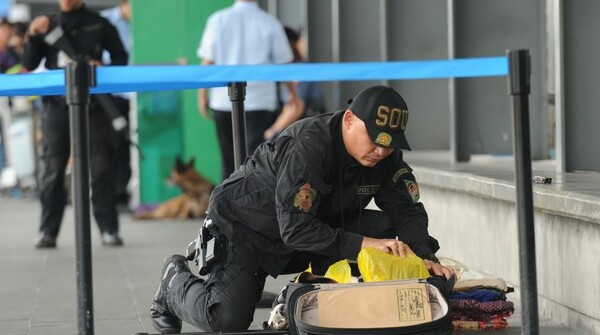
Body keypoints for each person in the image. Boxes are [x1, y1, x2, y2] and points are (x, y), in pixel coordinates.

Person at [150, 85, 453, 333]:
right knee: (226, 321)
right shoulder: (310, 147)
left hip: (312, 228)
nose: (381, 151)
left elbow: (406, 210)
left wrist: (424, 255)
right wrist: (362, 244)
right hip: (246, 230)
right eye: (374, 140)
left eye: (389, 144)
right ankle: (173, 279)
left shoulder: (385, 155)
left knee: (388, 236)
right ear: (349, 120)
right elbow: (295, 227)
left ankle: (318, 294)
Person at [22, 0, 128, 248]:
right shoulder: (46, 24)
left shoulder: (99, 23)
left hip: (95, 107)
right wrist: (34, 36)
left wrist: (103, 68)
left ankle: (108, 229)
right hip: (56, 107)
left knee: (102, 168)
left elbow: (121, 59)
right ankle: (47, 231)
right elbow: (28, 62)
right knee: (53, 169)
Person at [197, 0, 303, 182]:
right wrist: (293, 95)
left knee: (228, 160)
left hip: (223, 101)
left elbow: (208, 62)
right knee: (256, 161)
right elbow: (284, 65)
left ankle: (225, 206)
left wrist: (202, 95)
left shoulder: (218, 20)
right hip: (258, 102)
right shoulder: (269, 22)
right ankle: (253, 207)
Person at [101, 0, 132, 210]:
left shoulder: (143, 24)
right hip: (109, 95)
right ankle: (109, 195)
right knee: (108, 146)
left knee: (126, 147)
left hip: (133, 96)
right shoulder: (104, 22)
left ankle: (121, 193)